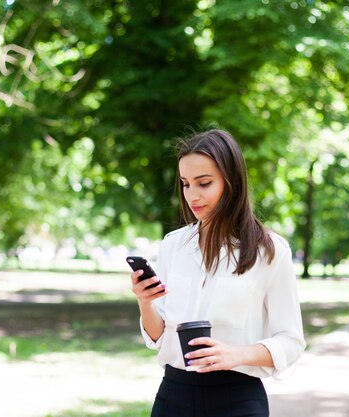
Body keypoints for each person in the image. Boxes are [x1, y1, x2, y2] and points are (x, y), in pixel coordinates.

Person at [130, 129, 306, 417]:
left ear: (231, 181)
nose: (192, 196)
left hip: (237, 398)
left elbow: (291, 340)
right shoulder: (173, 245)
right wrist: (145, 301)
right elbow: (159, 337)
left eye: (204, 183)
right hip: (173, 395)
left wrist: (236, 354)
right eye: (186, 184)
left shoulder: (270, 250)